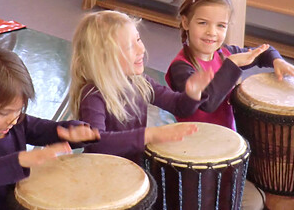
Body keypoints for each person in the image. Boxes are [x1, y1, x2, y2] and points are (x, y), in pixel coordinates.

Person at [164, 0, 294, 210]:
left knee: (282, 192)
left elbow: (263, 52)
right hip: (195, 154)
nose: (212, 32)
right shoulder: (181, 67)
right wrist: (231, 66)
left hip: (227, 147)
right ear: (185, 22)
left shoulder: (225, 53)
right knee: (251, 203)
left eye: (220, 25)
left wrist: (277, 61)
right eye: (203, 23)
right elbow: (208, 102)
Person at [0, 48, 101, 210]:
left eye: (18, 110)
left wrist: (75, 133)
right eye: (4, 112)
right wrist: (21, 160)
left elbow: (50, 131)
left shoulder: (19, 124)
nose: (13, 119)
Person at [69, 10, 213, 166]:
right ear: (104, 58)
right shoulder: (93, 96)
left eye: (138, 39)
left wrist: (193, 93)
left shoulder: (140, 82)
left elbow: (178, 106)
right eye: (131, 46)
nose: (141, 49)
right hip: (103, 174)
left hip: (133, 168)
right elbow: (97, 142)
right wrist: (148, 135)